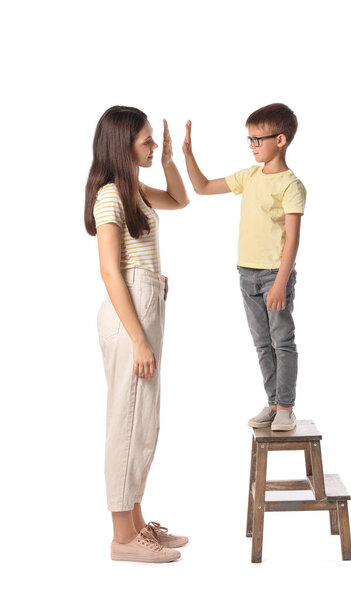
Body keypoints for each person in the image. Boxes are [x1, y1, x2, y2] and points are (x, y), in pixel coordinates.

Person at [85, 106, 190, 563]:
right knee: (128, 421)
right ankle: (122, 539)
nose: (150, 146)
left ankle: (137, 524)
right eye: (147, 141)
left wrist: (169, 158)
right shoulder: (110, 195)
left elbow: (180, 199)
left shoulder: (134, 191)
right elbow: (110, 272)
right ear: (122, 144)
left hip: (147, 303)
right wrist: (139, 339)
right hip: (131, 307)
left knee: (141, 418)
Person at [183, 103, 306, 431]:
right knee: (262, 342)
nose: (252, 145)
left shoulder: (291, 185)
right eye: (249, 139)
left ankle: (286, 406)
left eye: (257, 140)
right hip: (246, 273)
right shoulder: (250, 176)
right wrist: (187, 154)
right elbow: (203, 187)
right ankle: (272, 402)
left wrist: (280, 282)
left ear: (280, 140)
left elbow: (292, 240)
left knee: (282, 339)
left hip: (273, 275)